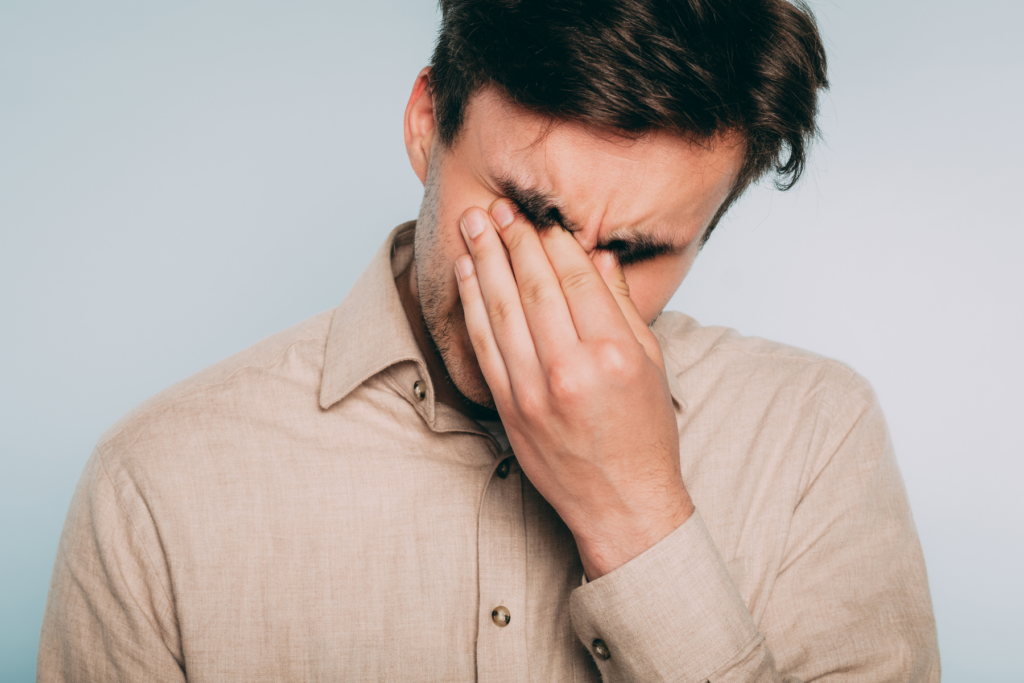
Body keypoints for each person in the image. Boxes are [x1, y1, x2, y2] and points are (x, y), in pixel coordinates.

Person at [38, 0, 940, 681]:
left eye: (636, 249)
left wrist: (637, 517)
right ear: (428, 125)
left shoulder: (817, 438)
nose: (564, 285)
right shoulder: (157, 485)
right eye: (530, 211)